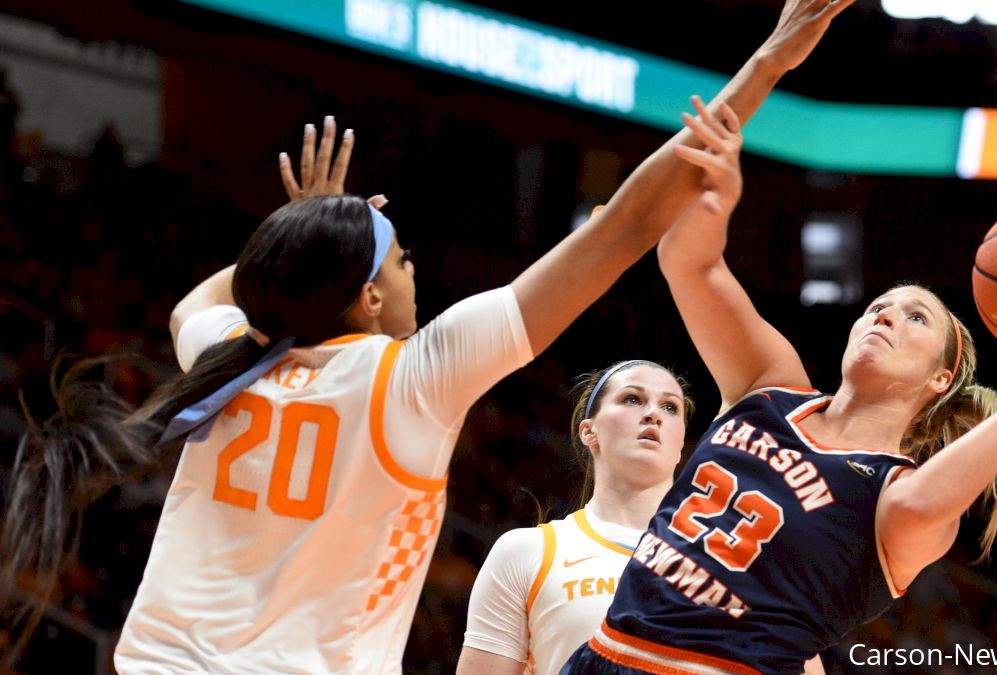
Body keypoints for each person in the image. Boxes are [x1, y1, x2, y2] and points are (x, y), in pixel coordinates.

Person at [0, 0, 861, 668]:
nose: (419, 274)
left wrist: (299, 232)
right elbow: (631, 222)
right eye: (403, 261)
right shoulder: (412, 375)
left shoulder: (233, 355)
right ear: (369, 297)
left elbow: (196, 301)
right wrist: (768, 60)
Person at [561, 36, 997, 675]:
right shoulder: (770, 386)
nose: (885, 314)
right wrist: (714, 197)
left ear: (939, 378)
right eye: (879, 306)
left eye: (916, 317)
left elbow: (921, 505)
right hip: (603, 657)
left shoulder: (897, 501)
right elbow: (689, 261)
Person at [457, 360, 692, 675]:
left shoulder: (727, 560)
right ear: (588, 431)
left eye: (670, 407)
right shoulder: (527, 552)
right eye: (632, 399)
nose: (653, 413)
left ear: (681, 443)